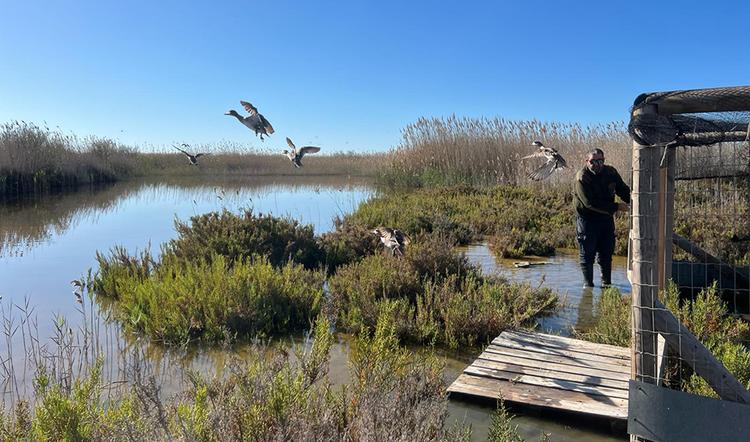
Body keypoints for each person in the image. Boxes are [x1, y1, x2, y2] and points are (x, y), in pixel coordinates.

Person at [573, 148, 630, 288]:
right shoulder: (582, 177)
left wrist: (636, 200)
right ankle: (588, 287)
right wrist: (617, 207)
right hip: (587, 220)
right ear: (587, 161)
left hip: (606, 219)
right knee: (587, 255)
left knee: (606, 254)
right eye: (593, 161)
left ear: (604, 160)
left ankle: (607, 285)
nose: (597, 164)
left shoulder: (610, 172)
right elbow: (589, 203)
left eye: (600, 161)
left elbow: (623, 190)